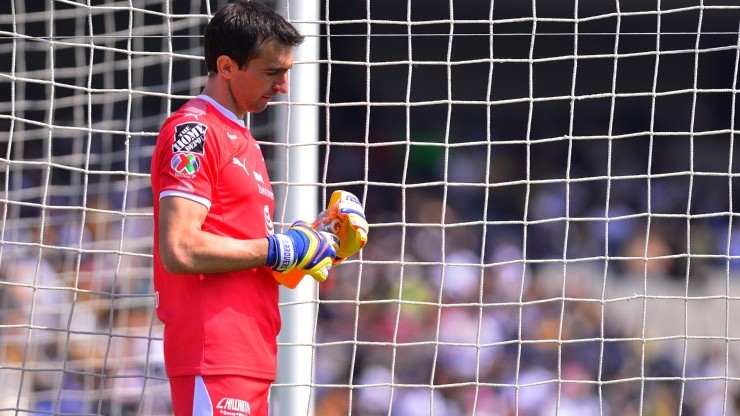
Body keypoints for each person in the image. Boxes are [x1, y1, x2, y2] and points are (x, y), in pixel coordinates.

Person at [149, 2, 367, 414]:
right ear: (227, 66)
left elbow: (252, 256)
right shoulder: (193, 131)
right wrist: (279, 247)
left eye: (285, 72)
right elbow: (179, 249)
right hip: (213, 355)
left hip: (251, 356)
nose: (283, 85)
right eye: (271, 72)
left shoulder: (243, 139)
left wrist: (318, 242)